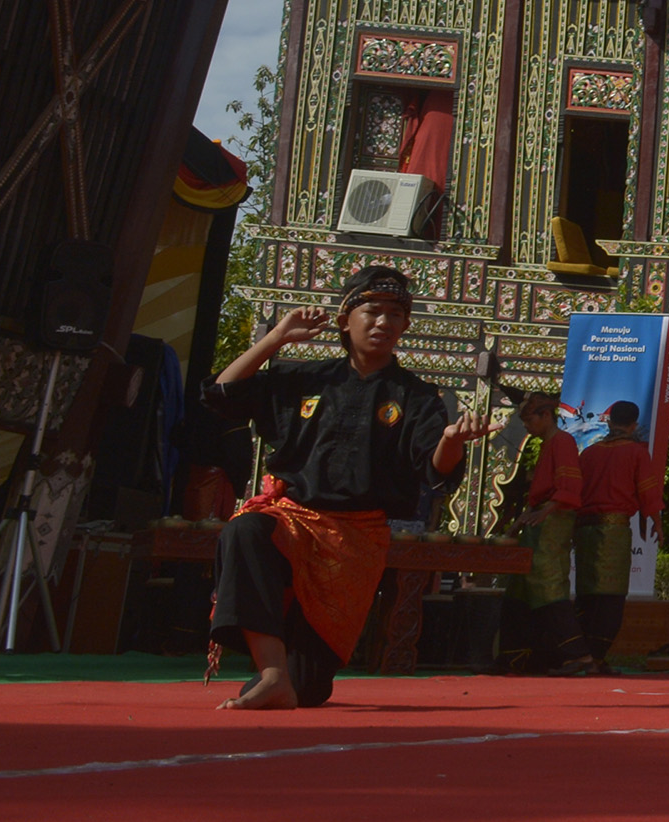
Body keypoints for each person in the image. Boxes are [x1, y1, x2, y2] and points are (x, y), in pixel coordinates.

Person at [198, 263, 495, 708]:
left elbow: (436, 471)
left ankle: (287, 675)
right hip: (292, 520)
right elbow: (222, 394)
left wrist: (451, 441)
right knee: (245, 529)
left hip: (355, 536)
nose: (384, 323)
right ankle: (273, 673)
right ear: (345, 320)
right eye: (372, 311)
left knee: (309, 689)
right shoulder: (304, 378)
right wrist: (275, 338)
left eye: (396, 315)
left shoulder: (416, 397)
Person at [493, 390, 591, 674]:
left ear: (546, 415)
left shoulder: (563, 442)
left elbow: (568, 488)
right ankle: (513, 657)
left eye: (529, 420)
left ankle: (578, 654)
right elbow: (540, 494)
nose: (526, 426)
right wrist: (522, 520)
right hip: (540, 519)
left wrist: (544, 512)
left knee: (548, 585)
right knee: (519, 588)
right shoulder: (549, 443)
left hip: (553, 522)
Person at [576, 399, 663, 667]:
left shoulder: (588, 453)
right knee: (611, 596)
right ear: (634, 425)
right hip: (614, 532)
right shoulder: (636, 453)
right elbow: (648, 493)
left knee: (586, 593)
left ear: (609, 421)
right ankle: (597, 656)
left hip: (584, 530)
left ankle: (580, 653)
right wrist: (657, 523)